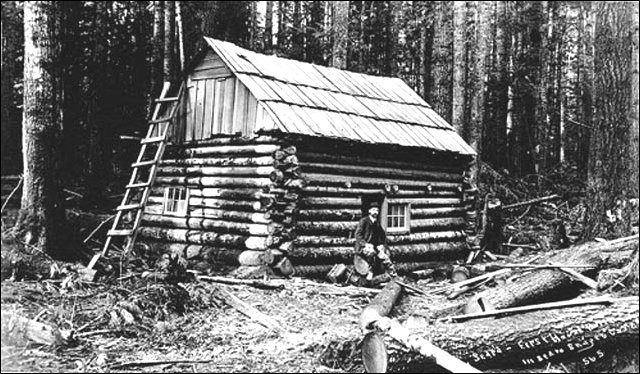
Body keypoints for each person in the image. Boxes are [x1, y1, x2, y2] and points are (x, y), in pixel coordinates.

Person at [354, 202, 398, 280]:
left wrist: (381, 245)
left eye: (377, 210)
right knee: (371, 253)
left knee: (385, 257)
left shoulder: (377, 223)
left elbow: (382, 236)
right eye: (373, 210)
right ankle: (370, 272)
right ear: (369, 211)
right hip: (364, 247)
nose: (375, 212)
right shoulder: (364, 221)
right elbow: (357, 234)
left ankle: (393, 275)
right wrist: (365, 244)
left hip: (375, 247)